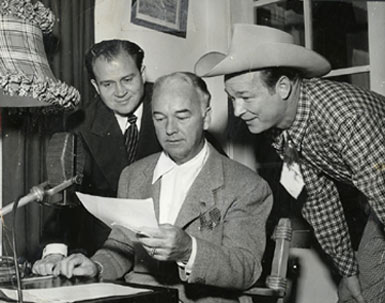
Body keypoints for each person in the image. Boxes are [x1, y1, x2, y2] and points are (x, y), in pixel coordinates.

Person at [195, 24, 385, 303]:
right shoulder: (282, 126)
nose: (237, 111)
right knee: (356, 292)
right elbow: (319, 200)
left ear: (283, 87)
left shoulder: (346, 118)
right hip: (377, 196)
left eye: (246, 97)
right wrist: (349, 271)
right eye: (232, 98)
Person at [50, 72, 273, 303]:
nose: (169, 129)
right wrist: (96, 266)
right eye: (159, 118)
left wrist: (189, 250)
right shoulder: (133, 176)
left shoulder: (247, 185)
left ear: (205, 118)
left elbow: (246, 268)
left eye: (182, 116)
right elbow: (122, 245)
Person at [33, 39, 162, 275]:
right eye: (108, 84)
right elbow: (66, 194)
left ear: (142, 73)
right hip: (104, 255)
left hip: (164, 254)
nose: (120, 92)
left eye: (127, 79)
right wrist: (55, 251)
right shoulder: (80, 123)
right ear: (95, 85)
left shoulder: (169, 105)